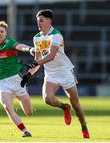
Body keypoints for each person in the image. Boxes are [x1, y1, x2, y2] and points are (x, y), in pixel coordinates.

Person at [21, 9, 90, 138]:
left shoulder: (56, 35)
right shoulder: (37, 38)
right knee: (47, 99)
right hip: (51, 74)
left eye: (41, 20)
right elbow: (38, 60)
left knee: (76, 104)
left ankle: (84, 126)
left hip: (65, 72)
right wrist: (29, 74)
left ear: (49, 20)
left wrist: (35, 64)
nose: (39, 23)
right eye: (37, 21)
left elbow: (51, 56)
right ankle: (65, 107)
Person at [0, 20, 33, 137]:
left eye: (1, 31)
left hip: (17, 80)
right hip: (2, 82)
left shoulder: (9, 42)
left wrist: (29, 49)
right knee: (7, 107)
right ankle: (25, 131)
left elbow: (20, 46)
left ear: (6, 33)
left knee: (29, 112)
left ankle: (20, 99)